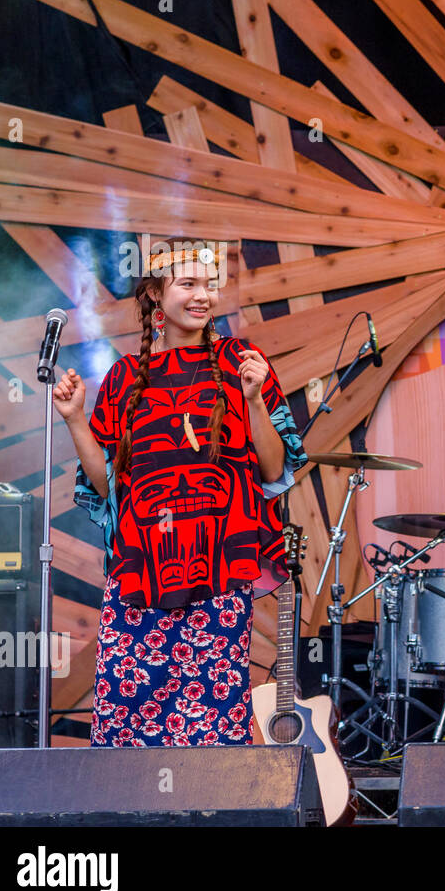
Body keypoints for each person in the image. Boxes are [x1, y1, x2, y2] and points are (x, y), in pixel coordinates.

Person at [52, 240, 306, 747]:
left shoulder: (241, 362)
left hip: (218, 566)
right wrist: (76, 418)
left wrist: (255, 401)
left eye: (208, 286)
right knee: (131, 715)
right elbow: (110, 490)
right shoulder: (124, 378)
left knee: (210, 722)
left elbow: (274, 469)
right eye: (188, 284)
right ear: (153, 294)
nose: (203, 296)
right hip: (139, 571)